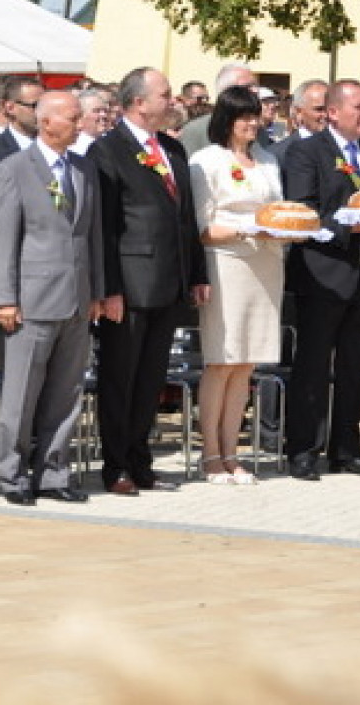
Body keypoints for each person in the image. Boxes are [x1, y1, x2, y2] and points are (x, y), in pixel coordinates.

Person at [88, 66, 210, 495]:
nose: (171, 101)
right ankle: (116, 464)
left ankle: (141, 461)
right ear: (139, 102)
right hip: (130, 286)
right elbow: (103, 228)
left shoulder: (172, 152)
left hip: (168, 284)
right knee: (120, 379)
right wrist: (109, 289)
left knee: (150, 380)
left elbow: (186, 218)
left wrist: (195, 273)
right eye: (165, 94)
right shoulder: (107, 150)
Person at [0, 90, 103, 505]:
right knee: (20, 395)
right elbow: (5, 238)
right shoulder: (15, 169)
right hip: (32, 298)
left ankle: (54, 473)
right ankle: (12, 474)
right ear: (47, 122)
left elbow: (91, 235)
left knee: (65, 394)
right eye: (73, 118)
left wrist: (97, 289)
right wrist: (4, 297)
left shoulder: (83, 168)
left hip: (76, 297)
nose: (80, 124)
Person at [283, 78, 360, 481]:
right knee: (313, 366)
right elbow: (304, 211)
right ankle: (303, 449)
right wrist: (352, 226)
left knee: (355, 366)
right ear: (332, 112)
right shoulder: (306, 152)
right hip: (324, 275)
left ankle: (346, 448)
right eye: (359, 108)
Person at [189, 86, 284, 484]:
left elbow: (278, 207)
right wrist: (245, 227)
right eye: (243, 116)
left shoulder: (266, 159)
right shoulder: (206, 161)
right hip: (226, 264)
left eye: (255, 115)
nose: (252, 123)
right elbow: (201, 225)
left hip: (266, 263)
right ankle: (210, 454)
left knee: (246, 363)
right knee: (221, 360)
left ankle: (232, 450)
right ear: (226, 120)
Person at [179, 64, 269, 155]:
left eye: (256, 85)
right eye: (248, 86)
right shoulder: (196, 131)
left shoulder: (259, 131)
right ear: (225, 91)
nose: (256, 91)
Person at [0, 76, 45, 167]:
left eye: (45, 106)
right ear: (10, 108)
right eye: (35, 105)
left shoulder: (53, 146)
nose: (42, 112)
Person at [269, 79, 328, 167]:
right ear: (299, 112)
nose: (326, 115)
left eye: (330, 109)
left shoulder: (343, 148)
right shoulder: (278, 154)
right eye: (319, 109)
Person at [70, 88, 111, 155]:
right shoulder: (74, 149)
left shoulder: (113, 143)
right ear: (81, 116)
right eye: (97, 111)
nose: (104, 115)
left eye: (105, 111)